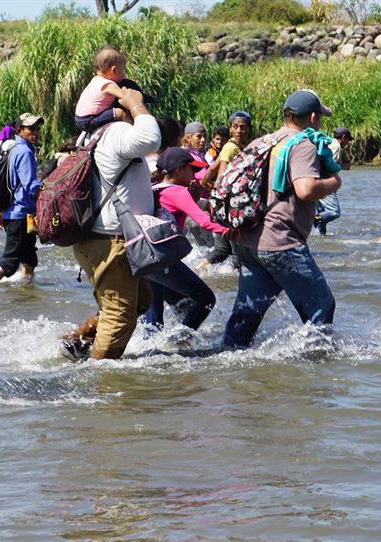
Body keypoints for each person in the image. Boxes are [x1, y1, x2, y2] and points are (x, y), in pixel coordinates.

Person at [223, 89, 341, 349]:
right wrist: (334, 182)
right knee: (321, 306)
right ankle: (316, 369)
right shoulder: (303, 144)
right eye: (320, 117)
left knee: (247, 315)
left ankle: (228, 358)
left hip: (248, 242)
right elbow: (305, 189)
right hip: (281, 243)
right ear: (312, 117)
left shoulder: (261, 142)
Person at [62, 82, 160, 361]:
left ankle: (77, 343)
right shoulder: (117, 132)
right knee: (120, 317)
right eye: (143, 104)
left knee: (140, 301)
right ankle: (99, 379)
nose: (146, 110)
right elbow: (152, 140)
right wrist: (135, 103)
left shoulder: (94, 134)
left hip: (103, 238)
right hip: (110, 241)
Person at [144, 147, 230, 335]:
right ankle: (179, 341)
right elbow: (204, 221)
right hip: (164, 259)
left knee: (156, 320)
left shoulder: (153, 189)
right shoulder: (178, 192)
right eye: (191, 170)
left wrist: (194, 197)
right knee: (206, 299)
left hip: (146, 260)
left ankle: (152, 353)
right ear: (179, 170)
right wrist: (229, 232)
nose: (195, 175)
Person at [0, 113, 45, 284]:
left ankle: (26, 290)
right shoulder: (24, 151)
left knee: (30, 256)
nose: (36, 131)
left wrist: (3, 211)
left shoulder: (16, 149)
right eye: (31, 128)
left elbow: (12, 183)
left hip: (24, 214)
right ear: (19, 130)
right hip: (21, 216)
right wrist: (49, 198)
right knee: (10, 262)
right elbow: (30, 185)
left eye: (37, 128)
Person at [198, 112, 252, 271]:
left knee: (222, 250)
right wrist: (219, 203)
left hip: (223, 205)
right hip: (229, 207)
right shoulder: (231, 147)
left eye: (243, 127)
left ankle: (197, 270)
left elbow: (211, 170)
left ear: (249, 129)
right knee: (238, 254)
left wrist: (198, 190)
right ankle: (232, 284)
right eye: (235, 127)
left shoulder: (235, 147)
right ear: (230, 129)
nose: (239, 130)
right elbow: (221, 177)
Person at [74, 46, 127, 132]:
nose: (124, 74)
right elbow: (125, 97)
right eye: (123, 70)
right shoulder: (109, 85)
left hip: (79, 118)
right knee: (121, 112)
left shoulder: (96, 80)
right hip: (89, 120)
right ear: (114, 70)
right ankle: (133, 132)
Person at [314, 127, 352, 235]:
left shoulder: (330, 144)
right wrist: (333, 183)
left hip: (317, 181)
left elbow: (342, 166)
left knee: (322, 219)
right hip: (326, 182)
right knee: (334, 212)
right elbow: (329, 166)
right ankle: (313, 218)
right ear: (343, 137)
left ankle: (319, 239)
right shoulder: (336, 146)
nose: (348, 142)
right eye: (348, 140)